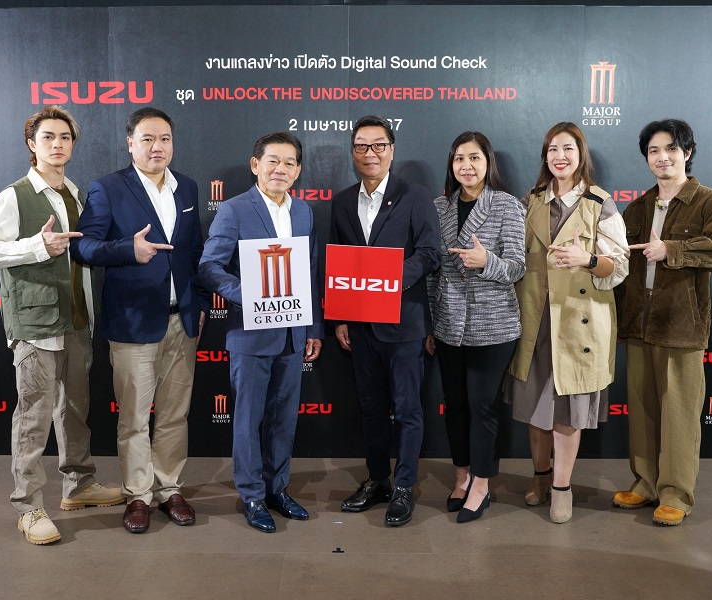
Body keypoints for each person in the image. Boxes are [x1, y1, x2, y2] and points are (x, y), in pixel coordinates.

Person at [0, 106, 123, 545]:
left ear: (73, 145)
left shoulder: (76, 194)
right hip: (36, 325)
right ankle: (28, 506)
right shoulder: (14, 196)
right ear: (32, 144)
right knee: (34, 418)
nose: (57, 144)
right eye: (48, 137)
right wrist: (36, 246)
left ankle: (79, 485)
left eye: (65, 137)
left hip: (77, 319)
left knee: (75, 409)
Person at [71, 107, 207, 534]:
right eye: (147, 139)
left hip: (182, 322)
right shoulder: (108, 187)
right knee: (133, 417)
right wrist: (127, 250)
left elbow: (196, 252)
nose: (156, 147)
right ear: (130, 143)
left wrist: (200, 304)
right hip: (132, 323)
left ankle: (169, 489)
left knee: (174, 414)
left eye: (164, 139)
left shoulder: (187, 187)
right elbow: (83, 247)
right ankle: (137, 495)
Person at [612, 119, 712, 526]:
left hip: (681, 324)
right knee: (643, 409)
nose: (661, 157)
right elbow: (621, 269)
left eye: (670, 149)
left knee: (680, 413)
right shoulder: (636, 208)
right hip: (639, 322)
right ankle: (646, 483)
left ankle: (676, 494)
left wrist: (672, 249)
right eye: (653, 150)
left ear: (687, 152)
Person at [199, 132, 323, 533]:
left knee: (283, 419)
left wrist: (313, 328)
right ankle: (252, 494)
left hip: (293, 333)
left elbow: (310, 273)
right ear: (256, 165)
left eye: (289, 163)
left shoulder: (303, 212)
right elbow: (209, 267)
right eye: (273, 161)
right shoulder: (234, 209)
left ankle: (277, 489)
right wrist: (248, 293)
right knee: (248, 418)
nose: (280, 169)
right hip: (251, 334)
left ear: (298, 171)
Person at [506, 122, 629, 524]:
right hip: (535, 319)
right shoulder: (531, 200)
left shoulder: (600, 203)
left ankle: (562, 488)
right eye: (552, 149)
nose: (560, 156)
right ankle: (540, 477)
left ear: (581, 155)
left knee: (567, 411)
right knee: (535, 407)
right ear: (545, 156)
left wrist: (587, 260)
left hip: (578, 323)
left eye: (568, 149)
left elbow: (619, 266)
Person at [330, 115, 440, 527]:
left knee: (408, 409)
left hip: (403, 323)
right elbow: (337, 258)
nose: (370, 153)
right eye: (361, 146)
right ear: (353, 153)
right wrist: (339, 316)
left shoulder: (415, 196)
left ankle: (404, 486)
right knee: (372, 408)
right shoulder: (342, 201)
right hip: (359, 324)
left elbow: (430, 253)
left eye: (379, 145)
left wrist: (387, 278)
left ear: (391, 151)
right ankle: (378, 479)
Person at [425, 132, 526, 523]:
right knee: (455, 405)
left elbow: (517, 267)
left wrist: (486, 262)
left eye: (474, 158)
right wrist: (431, 323)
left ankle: (482, 484)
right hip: (448, 324)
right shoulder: (440, 206)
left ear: (488, 163)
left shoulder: (506, 205)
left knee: (483, 405)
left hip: (493, 324)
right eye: (458, 158)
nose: (466, 166)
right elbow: (433, 271)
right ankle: (462, 476)